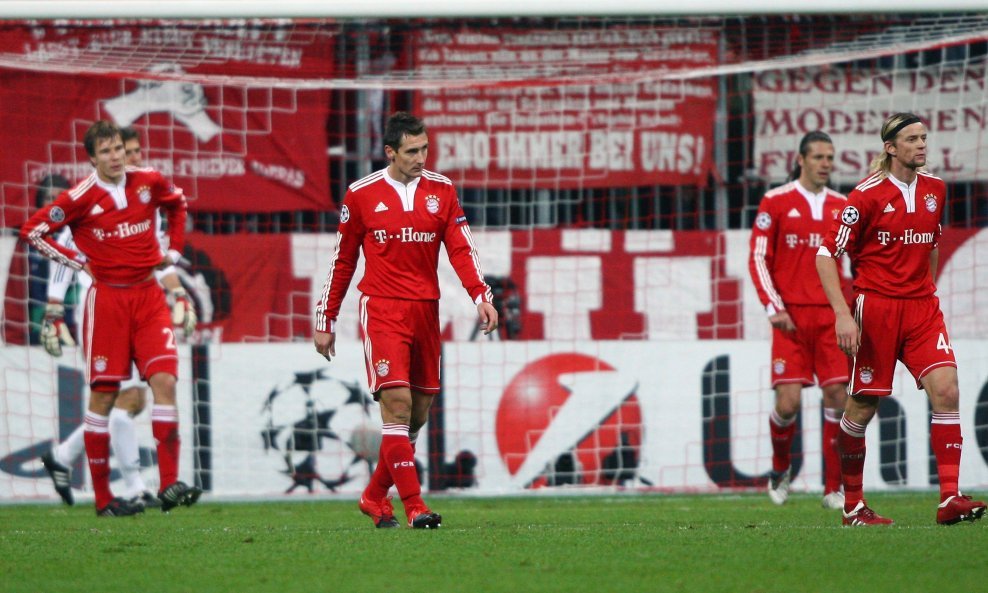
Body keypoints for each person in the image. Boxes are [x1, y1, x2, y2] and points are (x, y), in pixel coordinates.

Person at [313, 112, 498, 529]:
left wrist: (480, 296)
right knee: (396, 404)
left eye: (425, 149)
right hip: (381, 309)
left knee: (417, 413)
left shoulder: (442, 191)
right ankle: (416, 507)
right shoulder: (361, 194)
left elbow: (461, 250)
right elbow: (342, 261)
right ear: (390, 152)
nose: (421, 157)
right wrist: (325, 317)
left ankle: (374, 495)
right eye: (412, 151)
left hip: (425, 310)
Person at [21, 120, 201, 517]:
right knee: (105, 397)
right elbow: (33, 231)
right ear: (92, 159)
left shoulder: (148, 181)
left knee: (165, 381)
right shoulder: (79, 197)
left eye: (119, 148)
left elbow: (178, 204)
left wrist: (174, 253)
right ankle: (104, 499)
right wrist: (77, 263)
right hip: (106, 302)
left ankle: (169, 483)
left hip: (149, 297)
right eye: (106, 152)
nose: (116, 157)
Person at [816, 112, 986, 526]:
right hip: (876, 309)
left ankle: (950, 499)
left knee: (946, 389)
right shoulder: (865, 196)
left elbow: (931, 242)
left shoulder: (936, 189)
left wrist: (924, 288)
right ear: (891, 148)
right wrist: (843, 314)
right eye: (911, 139)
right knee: (862, 406)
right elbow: (825, 255)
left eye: (924, 137)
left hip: (922, 308)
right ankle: (853, 505)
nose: (922, 145)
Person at [748, 131, 848, 510]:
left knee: (838, 396)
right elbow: (758, 258)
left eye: (830, 157)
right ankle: (779, 468)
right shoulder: (775, 202)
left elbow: (852, 265)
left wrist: (849, 312)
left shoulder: (843, 206)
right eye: (820, 156)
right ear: (801, 159)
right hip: (790, 319)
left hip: (830, 319)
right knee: (787, 403)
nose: (826, 163)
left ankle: (834, 488)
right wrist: (773, 306)